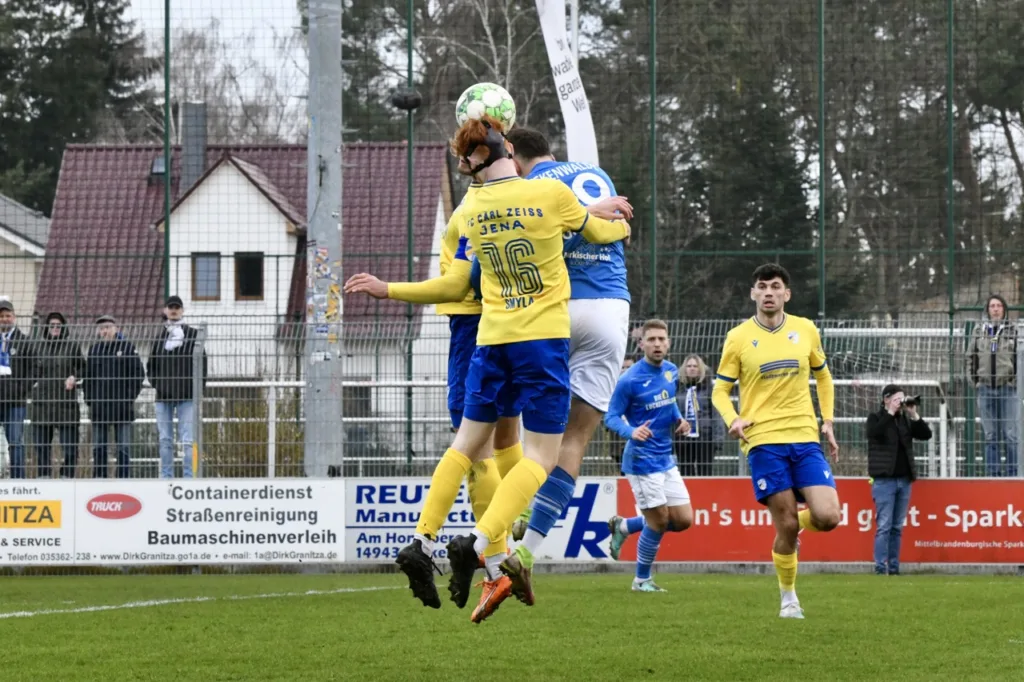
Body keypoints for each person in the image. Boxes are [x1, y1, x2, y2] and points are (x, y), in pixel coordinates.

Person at [345, 115, 630, 621]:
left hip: (491, 341)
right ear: (509, 151)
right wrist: (619, 221)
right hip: (541, 342)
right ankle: (479, 544)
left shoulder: (470, 210)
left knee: (464, 446)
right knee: (540, 457)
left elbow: (462, 281)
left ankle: (422, 539)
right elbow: (600, 229)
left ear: (468, 166)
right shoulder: (550, 195)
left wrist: (387, 289)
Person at [499, 127, 634, 581]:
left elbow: (539, 245)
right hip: (608, 307)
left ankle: (517, 506)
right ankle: (528, 553)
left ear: (514, 156)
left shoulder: (527, 189)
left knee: (535, 430)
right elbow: (618, 231)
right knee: (574, 439)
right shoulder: (597, 174)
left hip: (554, 308)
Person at [710, 263, 840, 619]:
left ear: (787, 294)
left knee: (829, 516)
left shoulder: (806, 329)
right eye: (763, 286)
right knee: (786, 525)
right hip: (763, 440)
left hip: (804, 436)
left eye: (776, 286)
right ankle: (789, 598)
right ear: (753, 293)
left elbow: (824, 377)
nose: (769, 292)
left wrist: (828, 421)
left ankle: (799, 523)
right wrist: (733, 419)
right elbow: (720, 390)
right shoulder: (738, 337)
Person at [604, 319, 693, 592]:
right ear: (641, 343)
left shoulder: (670, 371)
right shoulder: (629, 380)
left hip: (666, 458)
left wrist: (679, 420)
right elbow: (610, 416)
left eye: (661, 339)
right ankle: (641, 580)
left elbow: (669, 401)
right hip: (641, 461)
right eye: (651, 339)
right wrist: (631, 431)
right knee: (659, 521)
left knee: (683, 520)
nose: (657, 344)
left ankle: (625, 526)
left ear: (668, 343)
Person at [866, 385, 932, 575]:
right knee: (884, 526)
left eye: (902, 399)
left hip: (904, 480)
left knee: (896, 527)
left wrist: (913, 414)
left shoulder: (905, 420)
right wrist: (889, 413)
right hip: (884, 481)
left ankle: (894, 568)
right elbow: (874, 433)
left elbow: (926, 435)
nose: (900, 403)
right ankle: (880, 567)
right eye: (897, 399)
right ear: (886, 399)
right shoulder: (875, 418)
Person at [148, 296, 207, 478]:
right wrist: (159, 385)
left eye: (177, 307)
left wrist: (197, 391)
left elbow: (202, 365)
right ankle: (166, 477)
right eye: (170, 307)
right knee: (165, 439)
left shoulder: (193, 335)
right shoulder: (159, 338)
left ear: (182, 310)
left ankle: (190, 477)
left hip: (187, 396)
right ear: (165, 310)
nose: (174, 310)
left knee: (188, 441)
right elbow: (151, 366)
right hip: (163, 396)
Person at [83, 315, 146, 478]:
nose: (105, 331)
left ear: (116, 329)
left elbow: (138, 374)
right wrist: (89, 400)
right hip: (99, 408)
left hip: (122, 407)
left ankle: (123, 478)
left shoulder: (127, 348)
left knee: (123, 446)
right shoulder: (94, 350)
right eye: (102, 328)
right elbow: (88, 377)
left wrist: (129, 397)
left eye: (108, 327)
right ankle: (99, 477)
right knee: (99, 446)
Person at [965, 294, 1019, 477]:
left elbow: (1019, 357)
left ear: (1004, 309)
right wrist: (975, 382)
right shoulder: (979, 330)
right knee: (990, 436)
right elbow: (970, 357)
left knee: (1010, 435)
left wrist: (1015, 382)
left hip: (1008, 389)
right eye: (992, 306)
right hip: (985, 389)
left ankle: (1012, 475)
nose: (995, 309)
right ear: (987, 310)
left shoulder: (1013, 330)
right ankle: (993, 476)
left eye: (999, 306)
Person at [29, 311, 84, 478]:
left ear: (63, 327)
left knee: (70, 447)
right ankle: (44, 477)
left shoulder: (72, 346)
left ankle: (67, 476)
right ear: (46, 327)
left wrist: (74, 377)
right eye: (52, 325)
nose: (55, 328)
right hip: (42, 405)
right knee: (41, 447)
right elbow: (31, 370)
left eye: (58, 326)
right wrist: (33, 383)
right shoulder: (37, 347)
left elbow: (83, 367)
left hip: (66, 404)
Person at [675, 354, 723, 477]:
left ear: (700, 369)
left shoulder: (709, 388)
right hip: (683, 437)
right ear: (684, 369)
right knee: (685, 472)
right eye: (689, 366)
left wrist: (718, 438)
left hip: (705, 437)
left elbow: (716, 414)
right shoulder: (678, 388)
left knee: (705, 472)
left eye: (695, 366)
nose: (692, 368)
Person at [0, 297, 33, 478]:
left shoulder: (24, 341)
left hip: (16, 401)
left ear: (14, 317)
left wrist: (21, 388)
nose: (4, 319)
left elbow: (35, 369)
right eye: (1, 316)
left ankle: (18, 479)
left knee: (15, 441)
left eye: (8, 316)